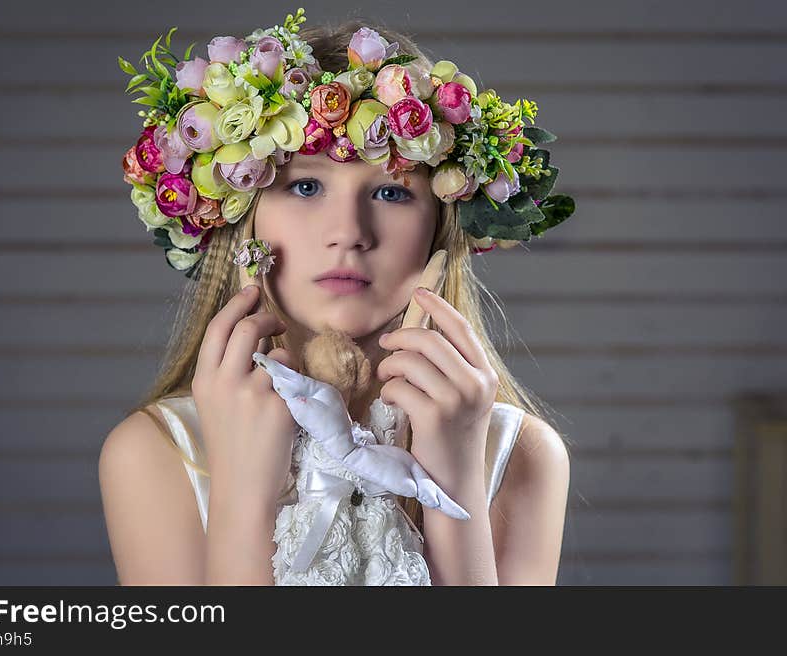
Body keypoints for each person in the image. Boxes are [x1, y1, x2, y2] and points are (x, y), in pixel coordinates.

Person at [100, 12, 573, 586]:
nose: (349, 231)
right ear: (241, 217)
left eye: (393, 191)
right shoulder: (157, 452)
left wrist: (455, 494)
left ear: (442, 229)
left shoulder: (519, 453)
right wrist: (245, 500)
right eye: (305, 185)